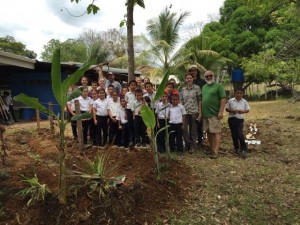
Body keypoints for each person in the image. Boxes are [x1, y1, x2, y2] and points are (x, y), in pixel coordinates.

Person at [202, 71, 226, 159]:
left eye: (210, 76)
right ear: (204, 77)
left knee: (216, 132)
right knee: (209, 132)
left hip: (215, 114)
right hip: (206, 114)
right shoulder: (204, 87)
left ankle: (216, 151)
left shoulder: (218, 86)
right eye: (206, 76)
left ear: (213, 76)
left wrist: (221, 111)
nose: (208, 77)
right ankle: (212, 149)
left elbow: (223, 99)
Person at [225, 87, 250, 158]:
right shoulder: (231, 101)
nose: (239, 94)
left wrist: (242, 111)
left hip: (240, 120)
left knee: (240, 133)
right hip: (232, 119)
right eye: (237, 93)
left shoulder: (244, 101)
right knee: (234, 134)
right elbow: (226, 109)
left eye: (240, 93)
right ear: (235, 93)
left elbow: (247, 110)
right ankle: (236, 148)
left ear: (243, 94)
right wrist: (232, 111)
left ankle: (244, 148)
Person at [181, 74, 201, 153]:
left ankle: (192, 146)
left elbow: (199, 100)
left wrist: (200, 112)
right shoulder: (183, 89)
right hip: (185, 112)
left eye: (190, 78)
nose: (189, 79)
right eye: (187, 78)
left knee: (193, 129)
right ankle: (187, 144)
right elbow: (182, 101)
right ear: (185, 80)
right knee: (184, 129)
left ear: (193, 79)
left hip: (194, 111)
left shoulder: (197, 88)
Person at [188, 65, 206, 146]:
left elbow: (203, 94)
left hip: (199, 104)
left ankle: (200, 140)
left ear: (197, 72)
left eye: (195, 70)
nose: (193, 72)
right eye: (191, 70)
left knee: (199, 123)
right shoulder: (188, 81)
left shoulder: (202, 82)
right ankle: (192, 141)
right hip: (190, 106)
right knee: (192, 125)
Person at [125, 80, 137, 149]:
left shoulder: (137, 93)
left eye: (134, 85)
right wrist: (126, 112)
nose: (133, 86)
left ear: (136, 86)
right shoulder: (127, 94)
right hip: (129, 110)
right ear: (129, 86)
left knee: (136, 125)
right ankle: (131, 140)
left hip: (136, 111)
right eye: (131, 85)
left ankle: (136, 140)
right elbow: (126, 103)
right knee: (130, 125)